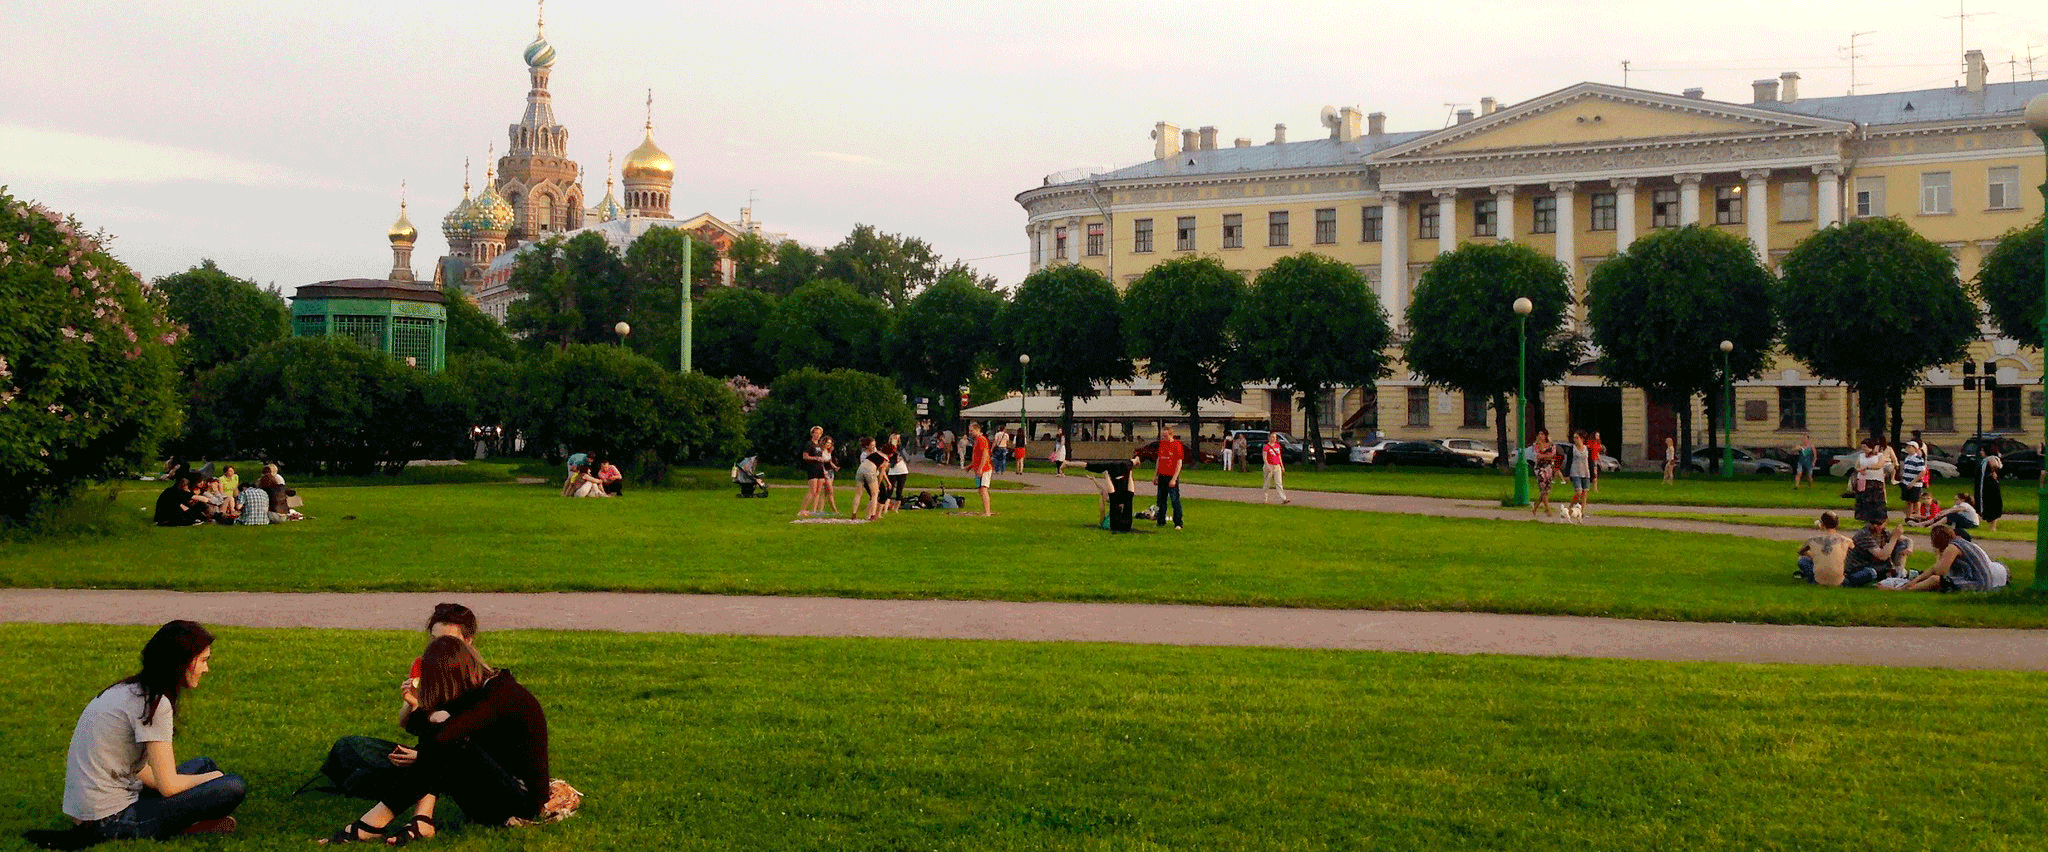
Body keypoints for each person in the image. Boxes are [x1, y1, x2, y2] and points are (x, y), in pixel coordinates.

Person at [29, 621, 246, 849]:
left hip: (90, 815)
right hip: (108, 821)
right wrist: (213, 779)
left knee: (204, 764)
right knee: (232, 785)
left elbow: (140, 770)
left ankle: (184, 822)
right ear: (181, 662)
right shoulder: (154, 702)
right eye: (202, 660)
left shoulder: (129, 689)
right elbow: (168, 786)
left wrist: (205, 779)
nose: (206, 669)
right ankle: (181, 825)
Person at [322, 635, 548, 845]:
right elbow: (416, 726)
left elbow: (444, 739)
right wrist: (419, 708)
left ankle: (377, 821)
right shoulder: (478, 688)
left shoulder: (500, 696)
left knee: (448, 739)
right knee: (442, 732)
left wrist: (424, 747)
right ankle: (418, 820)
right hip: (487, 789)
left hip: (519, 802)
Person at [317, 605, 479, 846]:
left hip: (460, 763)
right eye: (434, 640)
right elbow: (408, 725)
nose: (437, 648)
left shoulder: (475, 679)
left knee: (365, 774)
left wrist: (424, 756)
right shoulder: (429, 667)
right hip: (424, 754)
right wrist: (411, 703)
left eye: (447, 641)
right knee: (349, 747)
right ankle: (404, 786)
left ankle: (418, 813)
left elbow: (466, 741)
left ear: (468, 641)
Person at [1891, 524, 2006, 592]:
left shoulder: (1953, 547)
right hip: (1982, 580)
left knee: (1935, 581)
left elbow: (1940, 572)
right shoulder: (1960, 542)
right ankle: (1909, 585)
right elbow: (1935, 568)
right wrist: (1916, 580)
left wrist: (1938, 555)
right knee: (1933, 578)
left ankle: (1904, 589)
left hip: (1978, 583)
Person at [1064, 453, 1141, 531]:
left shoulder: (1120, 501)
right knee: (1088, 465)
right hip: (1117, 472)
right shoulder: (1116, 501)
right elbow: (1112, 493)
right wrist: (1106, 476)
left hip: (1120, 472)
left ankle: (1067, 463)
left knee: (1088, 465)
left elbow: (1128, 491)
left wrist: (1129, 473)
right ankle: (1067, 463)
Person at [1842, 518, 1912, 587]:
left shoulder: (1885, 533)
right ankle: (1895, 576)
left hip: (1874, 566)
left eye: (1879, 524)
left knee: (1902, 544)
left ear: (1885, 522)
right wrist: (1894, 538)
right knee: (1871, 573)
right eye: (1873, 523)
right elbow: (1882, 556)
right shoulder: (1864, 535)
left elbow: (1908, 540)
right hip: (1857, 570)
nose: (1876, 526)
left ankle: (1899, 572)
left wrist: (1909, 548)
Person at [1794, 511, 1855, 586]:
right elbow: (1853, 555)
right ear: (1837, 525)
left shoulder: (1812, 540)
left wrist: (1814, 556)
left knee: (1802, 560)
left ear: (1822, 525)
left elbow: (1800, 551)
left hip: (1818, 580)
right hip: (1840, 580)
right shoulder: (1846, 541)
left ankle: (1810, 577)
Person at [1153, 425, 1186, 530]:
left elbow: (1179, 462)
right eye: (1163, 436)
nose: (1164, 438)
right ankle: (1161, 520)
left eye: (1166, 435)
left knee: (1174, 500)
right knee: (1161, 500)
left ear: (1171, 435)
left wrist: (1174, 478)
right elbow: (1159, 459)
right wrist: (1156, 475)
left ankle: (1178, 522)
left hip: (1171, 476)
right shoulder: (1162, 444)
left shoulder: (1177, 445)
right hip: (1162, 475)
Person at [1912, 492, 1982, 540]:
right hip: (1965, 522)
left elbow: (1954, 510)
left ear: (1962, 500)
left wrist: (1945, 513)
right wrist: (1940, 514)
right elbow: (1949, 510)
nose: (1955, 501)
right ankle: (1921, 524)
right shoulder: (1957, 505)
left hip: (1972, 524)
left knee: (1952, 515)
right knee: (1948, 516)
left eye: (1957, 499)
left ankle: (1931, 527)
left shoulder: (1965, 505)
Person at [1850, 439, 1888, 525]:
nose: (1863, 449)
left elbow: (1879, 465)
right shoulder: (1861, 456)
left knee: (1875, 498)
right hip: (1863, 479)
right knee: (1863, 498)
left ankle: (1878, 517)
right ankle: (1864, 517)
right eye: (1862, 447)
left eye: (1865, 447)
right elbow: (1857, 466)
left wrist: (1867, 467)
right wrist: (1860, 470)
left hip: (1875, 480)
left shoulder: (1879, 455)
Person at [850, 437, 886, 521]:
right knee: (874, 494)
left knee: (859, 494)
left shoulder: (875, 452)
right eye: (872, 445)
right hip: (869, 473)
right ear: (867, 446)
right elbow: (877, 468)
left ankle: (854, 514)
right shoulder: (865, 455)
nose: (873, 447)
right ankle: (872, 515)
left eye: (874, 445)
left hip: (861, 471)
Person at [798, 426, 829, 518]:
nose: (817, 435)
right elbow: (805, 456)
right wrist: (815, 458)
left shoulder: (819, 445)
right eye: (816, 433)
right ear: (812, 433)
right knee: (812, 491)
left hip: (820, 468)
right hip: (812, 468)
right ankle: (802, 509)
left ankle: (814, 510)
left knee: (818, 491)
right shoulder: (809, 444)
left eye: (819, 433)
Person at [1530, 429, 1560, 518]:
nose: (1540, 436)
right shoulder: (1535, 445)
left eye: (1542, 434)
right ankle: (1548, 509)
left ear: (1546, 435)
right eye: (1539, 434)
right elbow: (1537, 456)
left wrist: (1545, 456)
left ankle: (1535, 508)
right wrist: (1547, 456)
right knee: (1543, 488)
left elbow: (1553, 456)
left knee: (1546, 490)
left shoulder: (1551, 445)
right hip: (1540, 469)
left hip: (1549, 469)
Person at [1565, 431, 1592, 522]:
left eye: (1577, 438)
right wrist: (1567, 474)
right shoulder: (1572, 449)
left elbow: (1590, 462)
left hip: (1585, 472)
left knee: (1584, 493)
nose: (1575, 440)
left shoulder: (1586, 449)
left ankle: (1582, 512)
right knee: (1578, 492)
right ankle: (1570, 507)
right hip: (1575, 472)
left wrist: (1594, 475)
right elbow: (1568, 462)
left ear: (1582, 439)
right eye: (1574, 438)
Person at [967, 421, 994, 516]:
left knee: (983, 489)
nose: (970, 432)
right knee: (980, 490)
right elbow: (977, 456)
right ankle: (986, 510)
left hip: (984, 469)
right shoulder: (977, 440)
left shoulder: (982, 439)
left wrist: (981, 468)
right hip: (978, 468)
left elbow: (985, 454)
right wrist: (971, 466)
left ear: (977, 429)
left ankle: (987, 512)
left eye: (972, 430)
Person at [1977, 444, 2005, 532]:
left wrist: (1993, 472)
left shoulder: (1991, 459)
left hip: (1989, 486)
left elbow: (1995, 465)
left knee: (1990, 504)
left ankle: (1992, 527)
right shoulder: (1986, 460)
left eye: (1982, 450)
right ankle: (1990, 526)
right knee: (1988, 505)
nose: (1981, 452)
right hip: (1987, 485)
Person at [1897, 442, 1928, 509]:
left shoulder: (1918, 459)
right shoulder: (1907, 458)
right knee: (1908, 501)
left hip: (1915, 484)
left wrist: (1913, 482)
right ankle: (1909, 516)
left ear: (1915, 448)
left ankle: (1917, 515)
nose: (1907, 448)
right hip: (1906, 482)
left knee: (1915, 501)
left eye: (1910, 447)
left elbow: (1922, 472)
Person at [885, 434, 910, 514]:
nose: (896, 439)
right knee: (889, 490)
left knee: (899, 490)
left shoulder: (901, 448)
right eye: (895, 438)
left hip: (902, 470)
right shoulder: (888, 448)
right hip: (893, 471)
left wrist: (900, 449)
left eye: (898, 438)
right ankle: (885, 508)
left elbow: (907, 458)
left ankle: (896, 509)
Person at [1260, 433, 1288, 505]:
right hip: (1269, 466)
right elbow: (1265, 458)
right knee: (1267, 482)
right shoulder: (1266, 447)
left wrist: (1281, 466)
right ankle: (1265, 499)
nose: (1273, 439)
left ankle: (1284, 498)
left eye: (1275, 437)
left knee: (1279, 483)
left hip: (1277, 466)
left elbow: (1279, 456)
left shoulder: (1277, 446)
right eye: (1272, 437)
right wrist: (1267, 466)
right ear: (1269, 438)